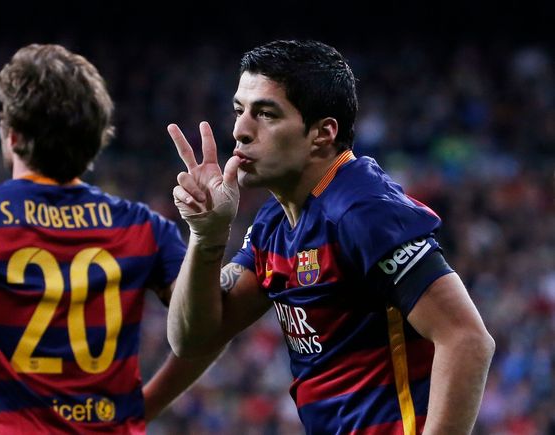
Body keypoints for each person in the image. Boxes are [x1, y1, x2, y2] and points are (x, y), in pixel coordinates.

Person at [166, 40, 495, 434]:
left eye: (266, 114)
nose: (240, 131)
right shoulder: (275, 222)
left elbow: (467, 340)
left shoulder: (362, 210)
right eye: (239, 111)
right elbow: (194, 338)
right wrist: (206, 238)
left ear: (323, 133)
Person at [0, 43, 217, 434]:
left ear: (14, 137)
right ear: (93, 142)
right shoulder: (143, 226)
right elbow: (209, 329)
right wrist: (146, 403)